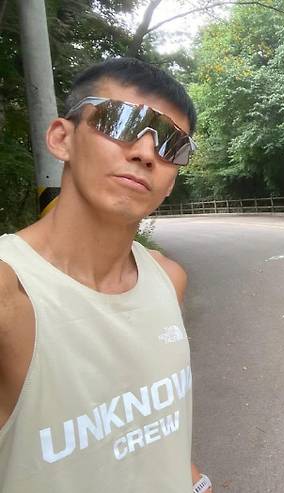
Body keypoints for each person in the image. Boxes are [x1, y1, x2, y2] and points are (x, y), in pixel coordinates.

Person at [0, 58, 212, 492]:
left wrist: (196, 481)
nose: (146, 153)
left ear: (172, 181)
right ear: (62, 138)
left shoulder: (168, 279)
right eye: (121, 121)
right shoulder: (10, 294)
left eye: (172, 145)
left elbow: (148, 423)